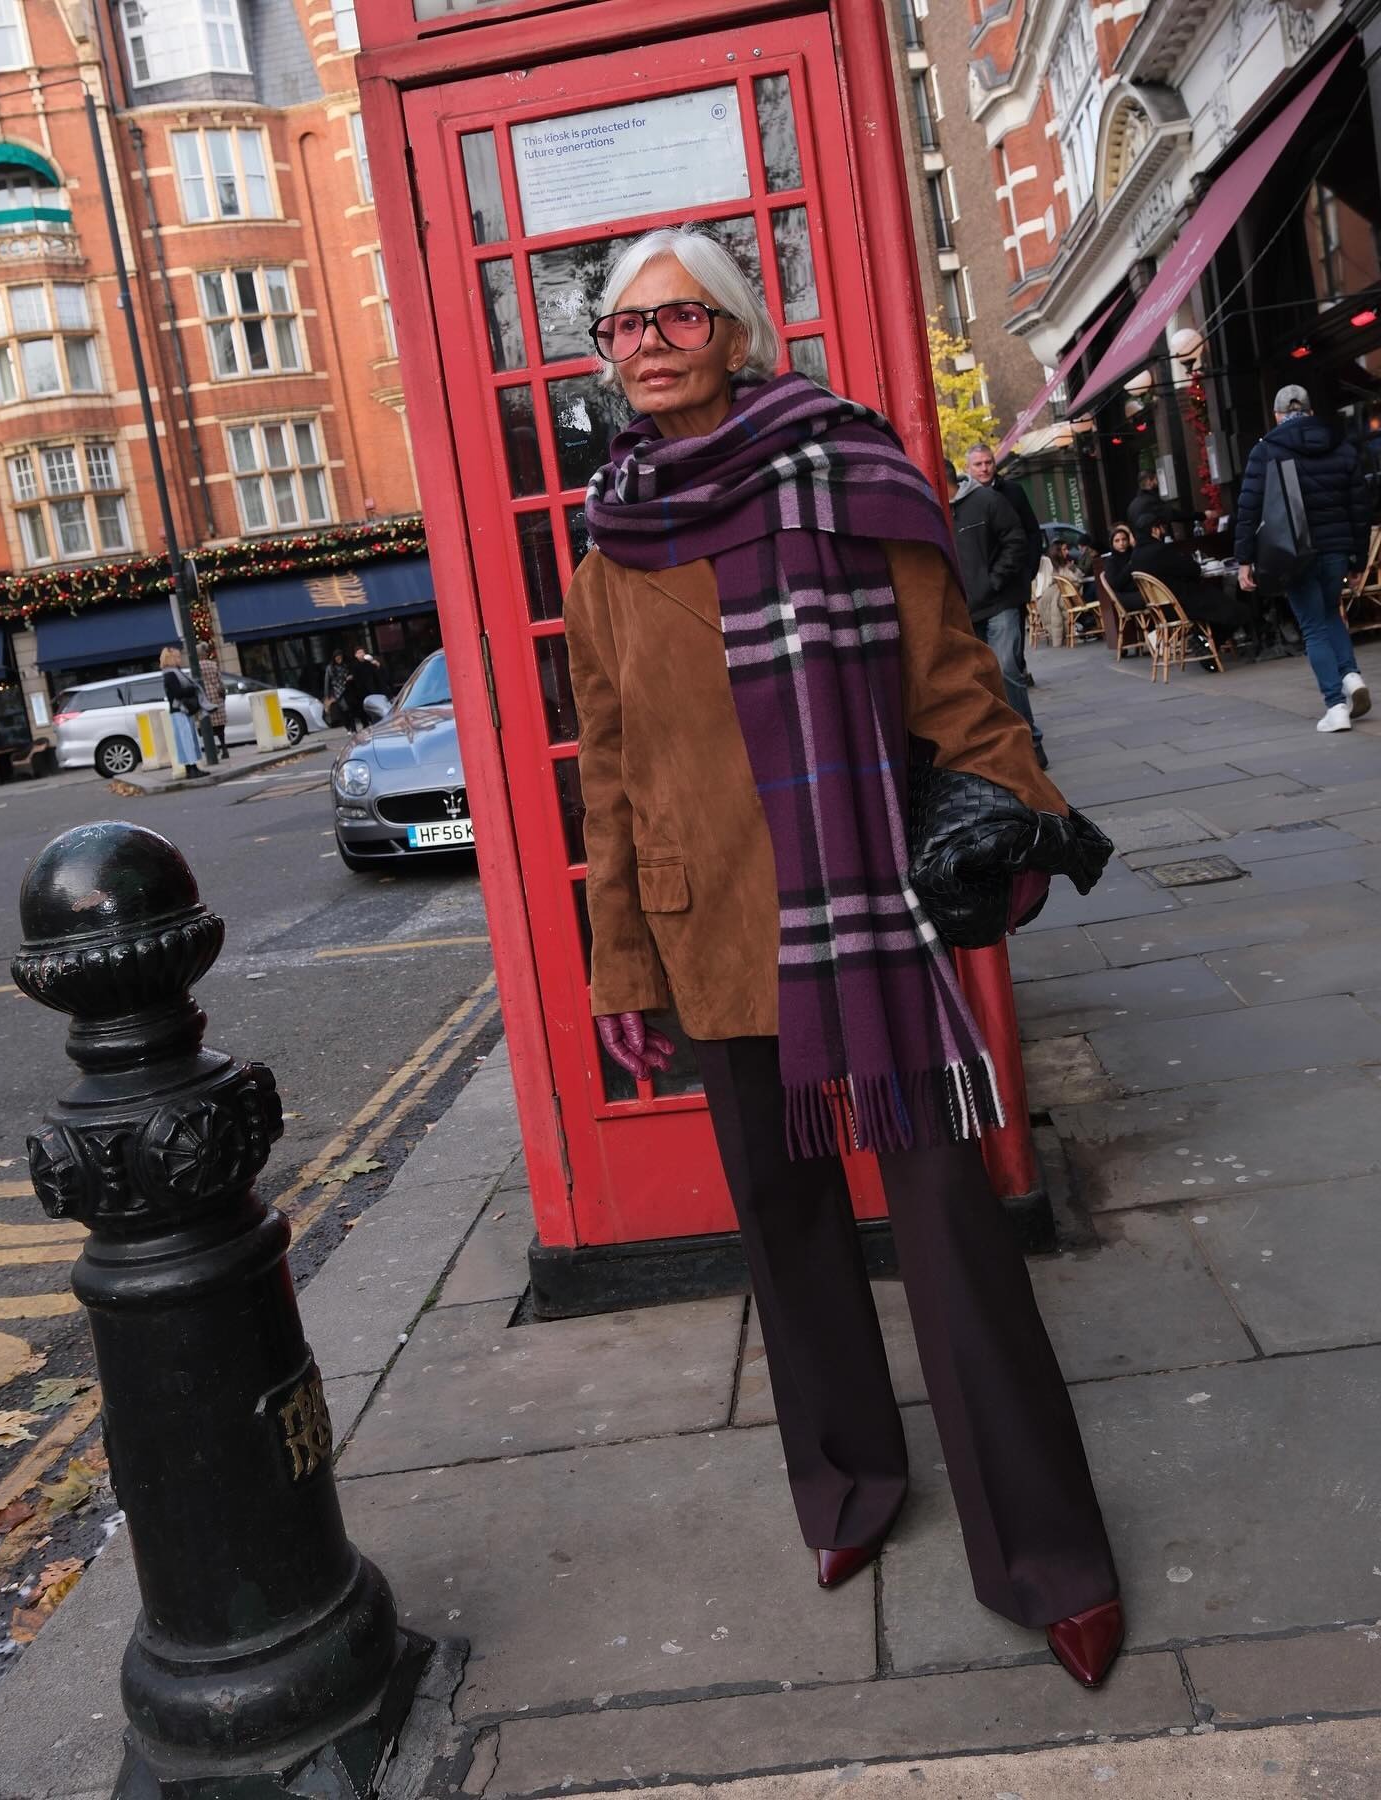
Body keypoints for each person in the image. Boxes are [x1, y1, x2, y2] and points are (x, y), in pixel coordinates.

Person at [567, 224, 1123, 1690]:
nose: (649, 343)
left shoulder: (847, 471)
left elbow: (953, 681)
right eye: (623, 328)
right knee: (783, 1230)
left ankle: (1048, 1552)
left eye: (678, 316)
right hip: (707, 925)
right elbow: (609, 771)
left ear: (738, 331)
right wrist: (620, 967)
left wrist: (1024, 817)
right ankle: (848, 1486)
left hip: (860, 913)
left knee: (952, 1232)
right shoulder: (609, 533)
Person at [1235, 384, 1372, 733]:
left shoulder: (1267, 450)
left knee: (1312, 626)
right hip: (1337, 549)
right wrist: (1358, 560)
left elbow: (1249, 507)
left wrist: (1245, 558)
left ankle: (1335, 706)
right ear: (1310, 412)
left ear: (1278, 416)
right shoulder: (1340, 446)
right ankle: (1351, 676)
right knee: (1329, 613)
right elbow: (1360, 507)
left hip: (1294, 552)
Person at [946, 460, 1047, 768]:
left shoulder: (987, 501)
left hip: (999, 601)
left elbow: (1016, 540)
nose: (986, 467)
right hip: (966, 609)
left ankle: (1031, 742)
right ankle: (1005, 747)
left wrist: (995, 580)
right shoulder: (933, 511)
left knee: (1006, 669)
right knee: (982, 679)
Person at [965, 441, 1043, 687]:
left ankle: (1016, 676)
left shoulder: (1013, 491)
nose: (984, 468)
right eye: (978, 464)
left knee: (1012, 645)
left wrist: (1029, 569)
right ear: (968, 468)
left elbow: (1031, 532)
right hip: (978, 587)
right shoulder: (964, 499)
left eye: (988, 462)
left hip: (1012, 583)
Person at [1132, 518, 1253, 657]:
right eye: (1161, 527)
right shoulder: (1160, 551)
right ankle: (1208, 642)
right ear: (1154, 530)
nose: (1164, 531)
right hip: (1184, 603)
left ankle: (1204, 639)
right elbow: (1193, 570)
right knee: (1239, 610)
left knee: (1222, 605)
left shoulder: (1136, 556)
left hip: (1162, 609)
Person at [159, 646, 203, 779]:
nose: (180, 659)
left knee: (186, 739)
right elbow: (177, 693)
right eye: (177, 656)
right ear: (171, 658)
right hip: (180, 710)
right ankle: (192, 768)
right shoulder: (171, 674)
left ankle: (192, 768)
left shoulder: (173, 672)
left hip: (181, 710)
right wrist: (192, 689)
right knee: (186, 739)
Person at [196, 640, 228, 760]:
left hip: (204, 698)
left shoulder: (196, 666)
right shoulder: (213, 665)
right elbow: (220, 681)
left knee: (205, 726)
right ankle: (224, 748)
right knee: (220, 727)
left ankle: (212, 747)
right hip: (216, 697)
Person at [1100, 524, 1144, 611]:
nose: (1121, 543)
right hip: (1124, 596)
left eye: (1124, 539)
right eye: (1117, 540)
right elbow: (1116, 584)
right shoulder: (1111, 561)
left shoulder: (1134, 554)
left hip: (1141, 590)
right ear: (1112, 543)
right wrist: (1129, 566)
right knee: (1150, 597)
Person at [324, 649, 367, 733]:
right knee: (345, 710)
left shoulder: (346, 665)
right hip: (338, 692)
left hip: (348, 689)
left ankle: (355, 727)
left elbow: (354, 673)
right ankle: (350, 727)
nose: (339, 660)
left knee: (352, 709)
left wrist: (351, 677)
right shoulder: (330, 668)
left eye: (340, 658)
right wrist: (327, 696)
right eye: (337, 658)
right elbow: (327, 681)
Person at [1126, 470, 1165, 540]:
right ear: (1149, 481)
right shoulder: (1151, 500)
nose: (1158, 482)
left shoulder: (1133, 504)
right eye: (1156, 479)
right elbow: (1169, 514)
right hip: (1153, 541)